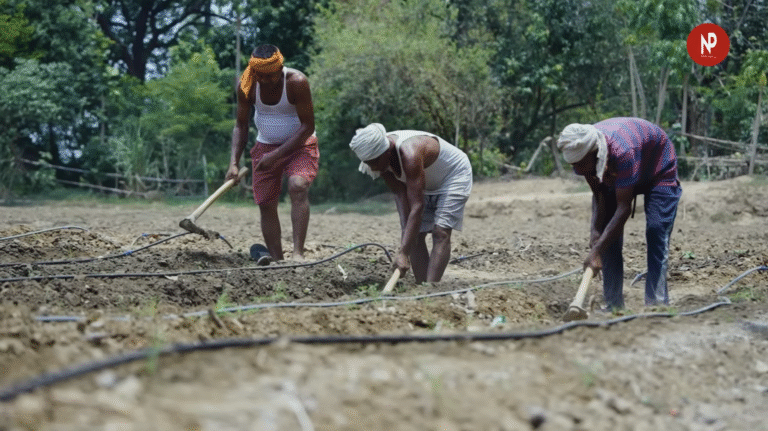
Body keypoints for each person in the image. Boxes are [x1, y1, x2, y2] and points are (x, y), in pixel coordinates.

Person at [556, 117, 682, 310]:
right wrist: (596, 234)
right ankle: (614, 306)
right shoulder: (586, 158)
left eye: (580, 165)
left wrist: (596, 251)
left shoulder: (623, 151)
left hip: (657, 168)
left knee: (657, 230)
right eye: (574, 166)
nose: (577, 170)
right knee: (607, 237)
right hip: (620, 171)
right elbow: (599, 194)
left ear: (595, 154)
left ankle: (656, 303)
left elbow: (624, 208)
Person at [226, 44, 318, 261]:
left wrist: (276, 156)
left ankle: (297, 254)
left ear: (280, 68)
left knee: (298, 186)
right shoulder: (246, 85)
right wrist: (233, 163)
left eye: (271, 76)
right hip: (265, 146)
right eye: (261, 76)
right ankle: (276, 259)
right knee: (266, 202)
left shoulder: (297, 82)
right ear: (254, 72)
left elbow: (307, 126)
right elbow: (240, 126)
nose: (266, 81)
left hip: (300, 144)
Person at [349, 123, 473, 283]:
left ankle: (430, 289)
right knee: (413, 235)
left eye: (373, 162)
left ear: (386, 152)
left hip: (453, 175)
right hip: (424, 182)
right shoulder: (379, 161)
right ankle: (421, 286)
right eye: (368, 163)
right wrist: (405, 238)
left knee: (440, 232)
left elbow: (417, 206)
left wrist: (403, 252)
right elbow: (400, 194)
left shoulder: (410, 153)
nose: (372, 167)